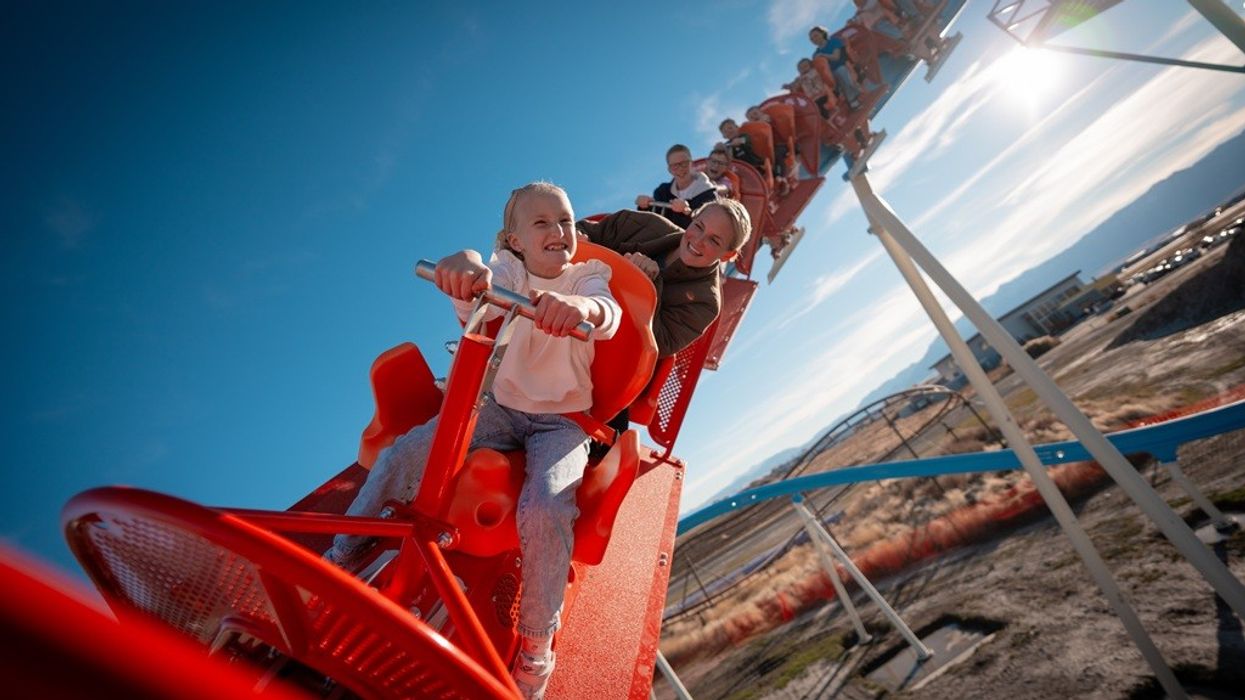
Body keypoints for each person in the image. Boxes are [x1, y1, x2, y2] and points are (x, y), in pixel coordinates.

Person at [325, 182, 621, 700]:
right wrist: (462, 271)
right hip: (502, 409)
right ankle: (342, 553)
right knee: (407, 452)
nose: (559, 232)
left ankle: (535, 642)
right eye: (542, 223)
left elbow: (607, 311)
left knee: (546, 507)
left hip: (562, 421)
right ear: (514, 241)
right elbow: (479, 285)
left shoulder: (588, 275)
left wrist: (582, 311)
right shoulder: (507, 270)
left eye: (567, 221)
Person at [576, 198, 752, 358]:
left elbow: (657, 345)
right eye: (699, 226)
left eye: (714, 240)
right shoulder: (645, 224)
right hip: (570, 299)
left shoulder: (705, 304)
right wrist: (579, 239)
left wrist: (647, 285)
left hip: (604, 355)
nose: (698, 241)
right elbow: (587, 232)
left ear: (728, 255)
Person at [635, 144, 719, 229]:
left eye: (684, 163)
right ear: (669, 170)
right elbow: (653, 221)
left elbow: (710, 224)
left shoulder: (708, 194)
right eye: (675, 166)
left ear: (691, 163)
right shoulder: (662, 191)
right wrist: (644, 206)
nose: (680, 169)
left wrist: (687, 212)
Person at [809, 25, 863, 110]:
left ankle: (852, 100)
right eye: (811, 39)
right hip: (827, 75)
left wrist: (823, 55)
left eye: (815, 35)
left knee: (840, 72)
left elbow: (836, 57)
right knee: (819, 84)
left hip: (842, 67)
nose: (814, 39)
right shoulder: (815, 54)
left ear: (823, 33)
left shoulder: (834, 42)